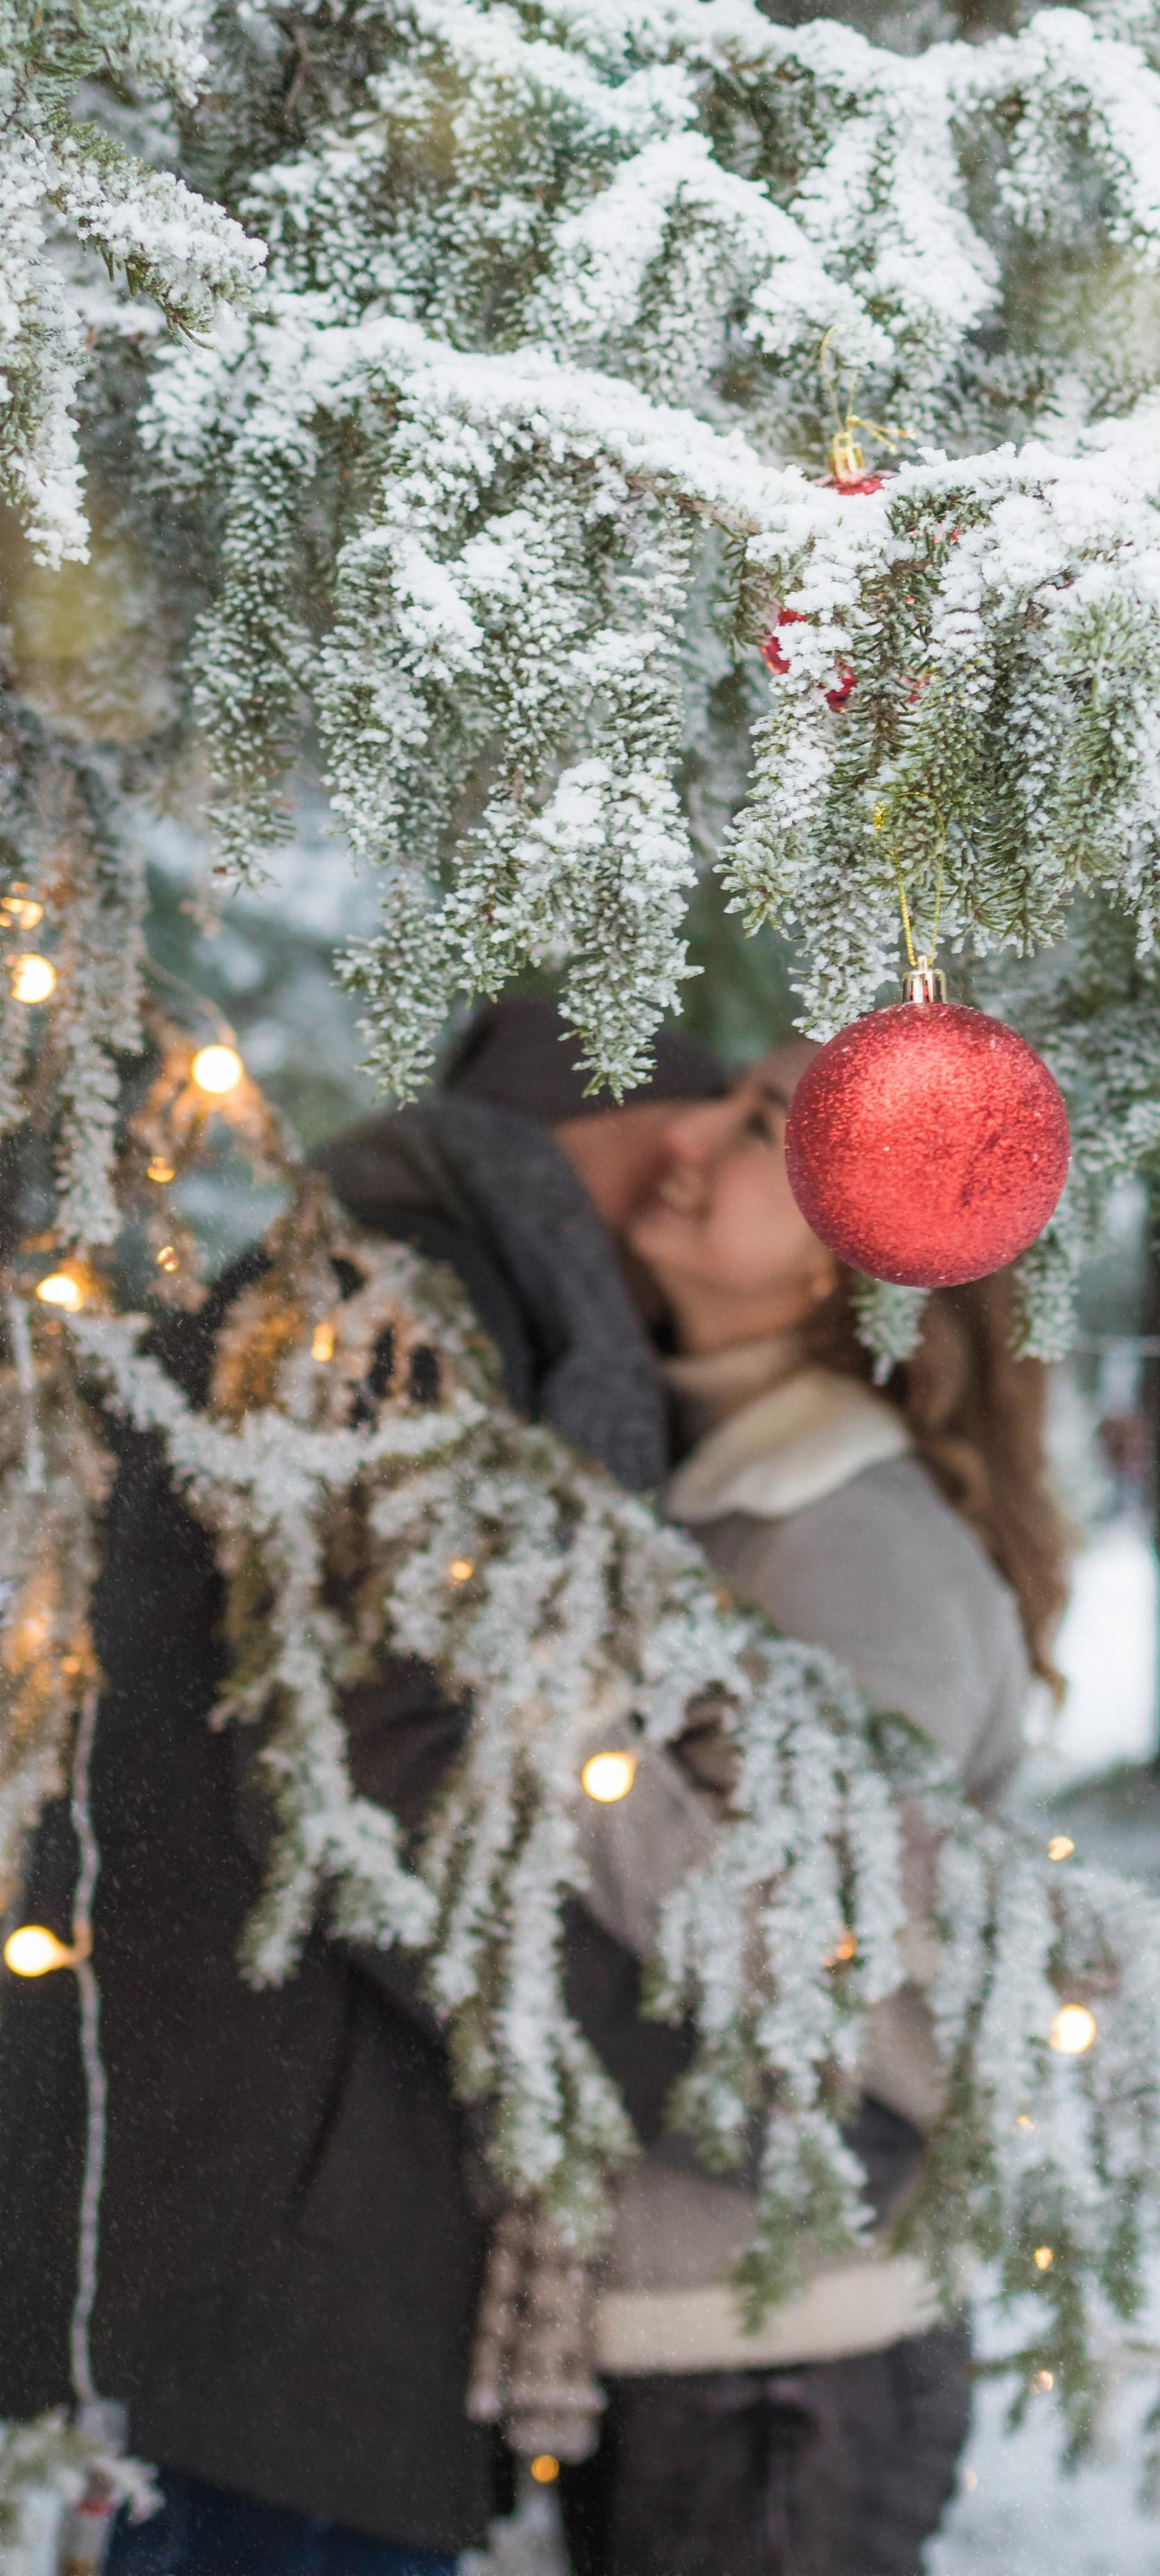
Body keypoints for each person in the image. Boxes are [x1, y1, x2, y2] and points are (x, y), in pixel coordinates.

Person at [0, 1003, 726, 2575]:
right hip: (294, 2221)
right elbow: (385, 1802)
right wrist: (688, 2064)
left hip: (270, 2175)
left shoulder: (395, 1288)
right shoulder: (403, 1322)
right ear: (650, 1135)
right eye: (713, 1144)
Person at [558, 1040, 1073, 2576]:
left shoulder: (848, 1538)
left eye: (766, 1126)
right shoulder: (717, 1489)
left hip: (786, 2356)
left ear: (851, 1266)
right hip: (700, 2329)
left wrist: (547, 1696)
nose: (691, 1132)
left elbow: (789, 1941)